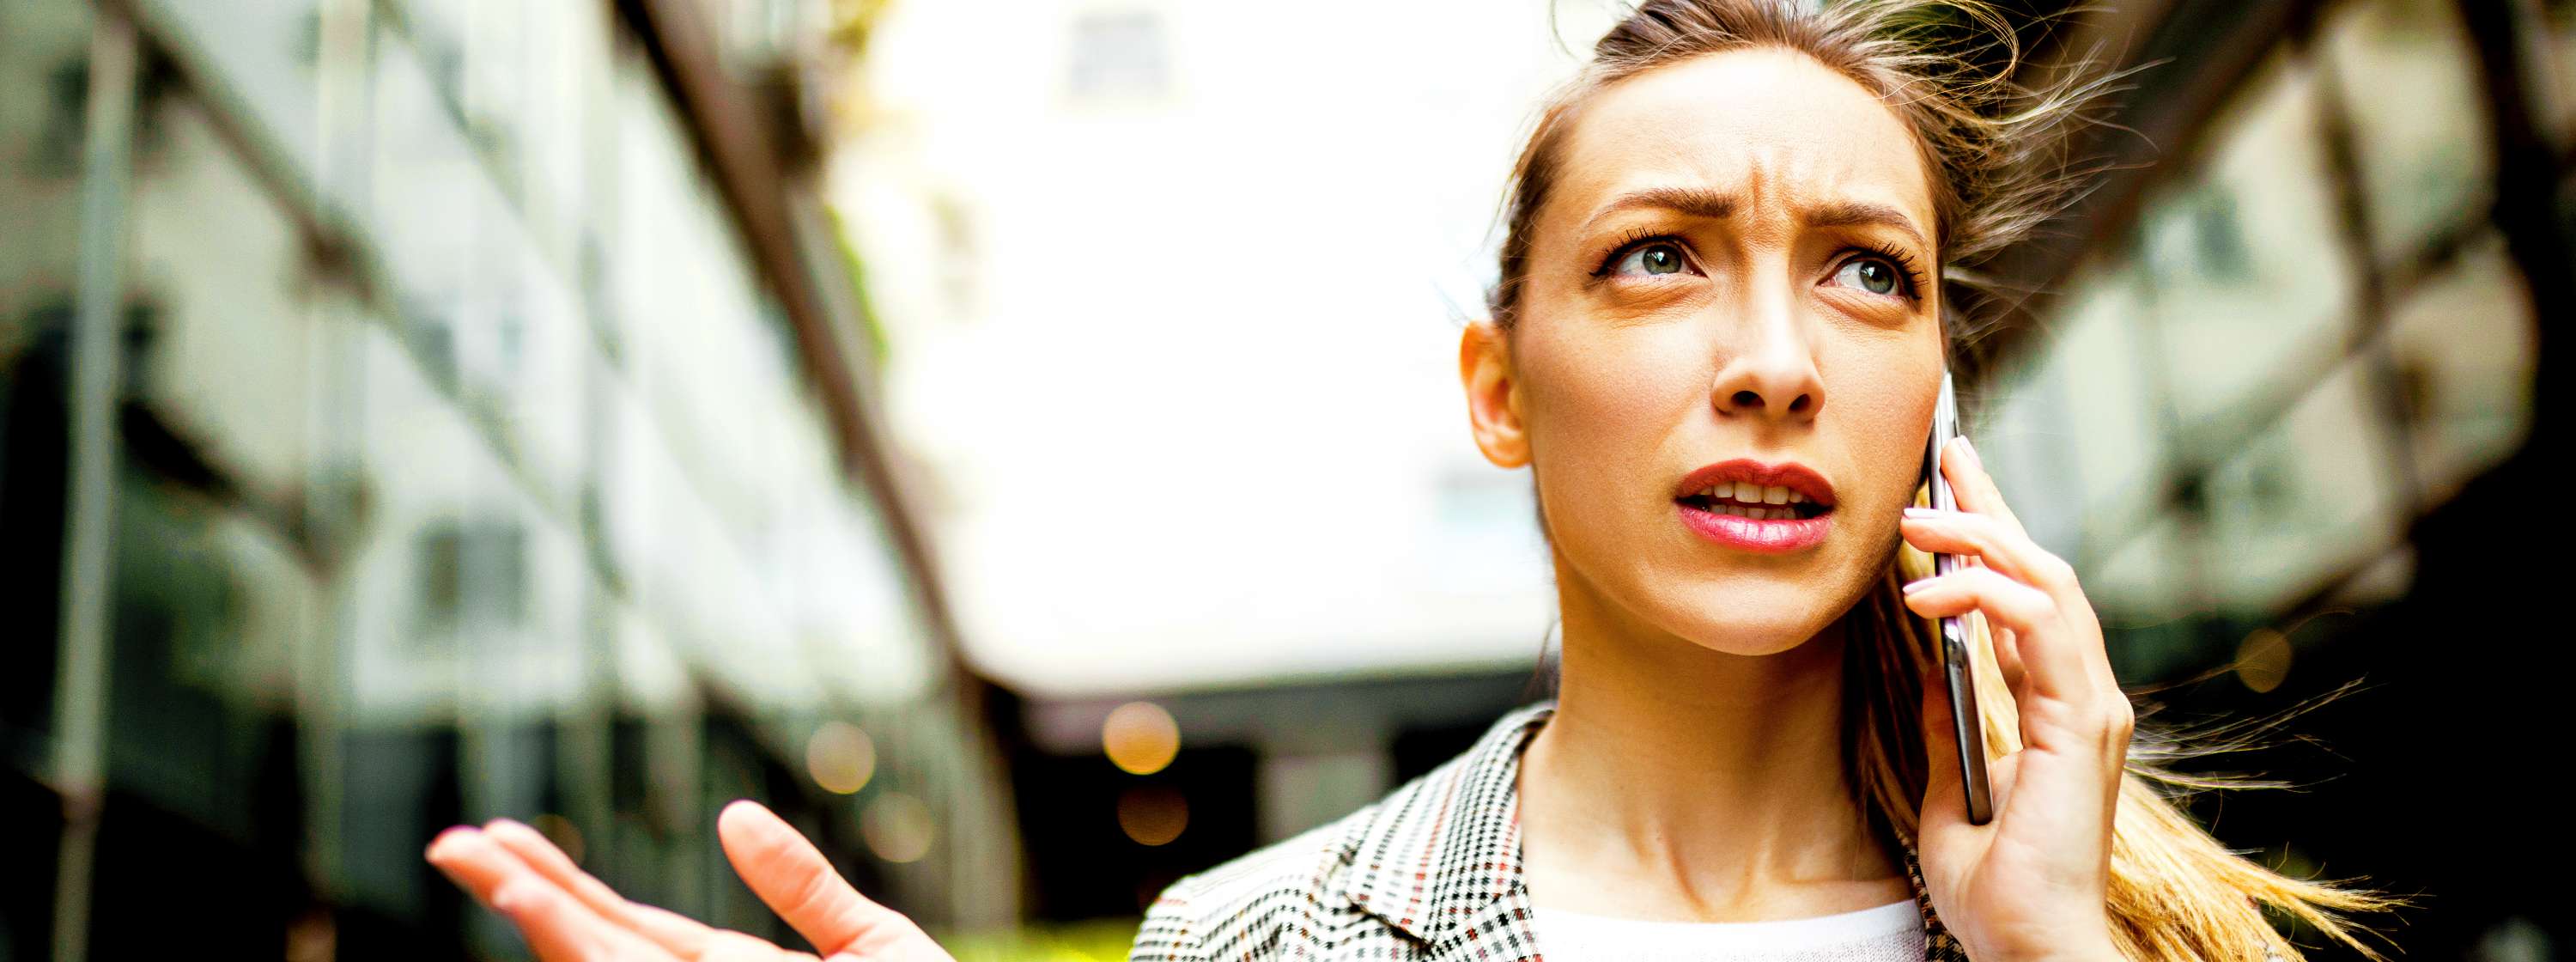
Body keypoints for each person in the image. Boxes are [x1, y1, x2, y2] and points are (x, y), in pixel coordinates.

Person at [425, 1, 2395, 959]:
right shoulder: (1253, 945)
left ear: (1939, 405)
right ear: (1501, 390)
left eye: (1867, 274)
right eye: (1658, 255)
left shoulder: (2152, 946)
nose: (1779, 361)